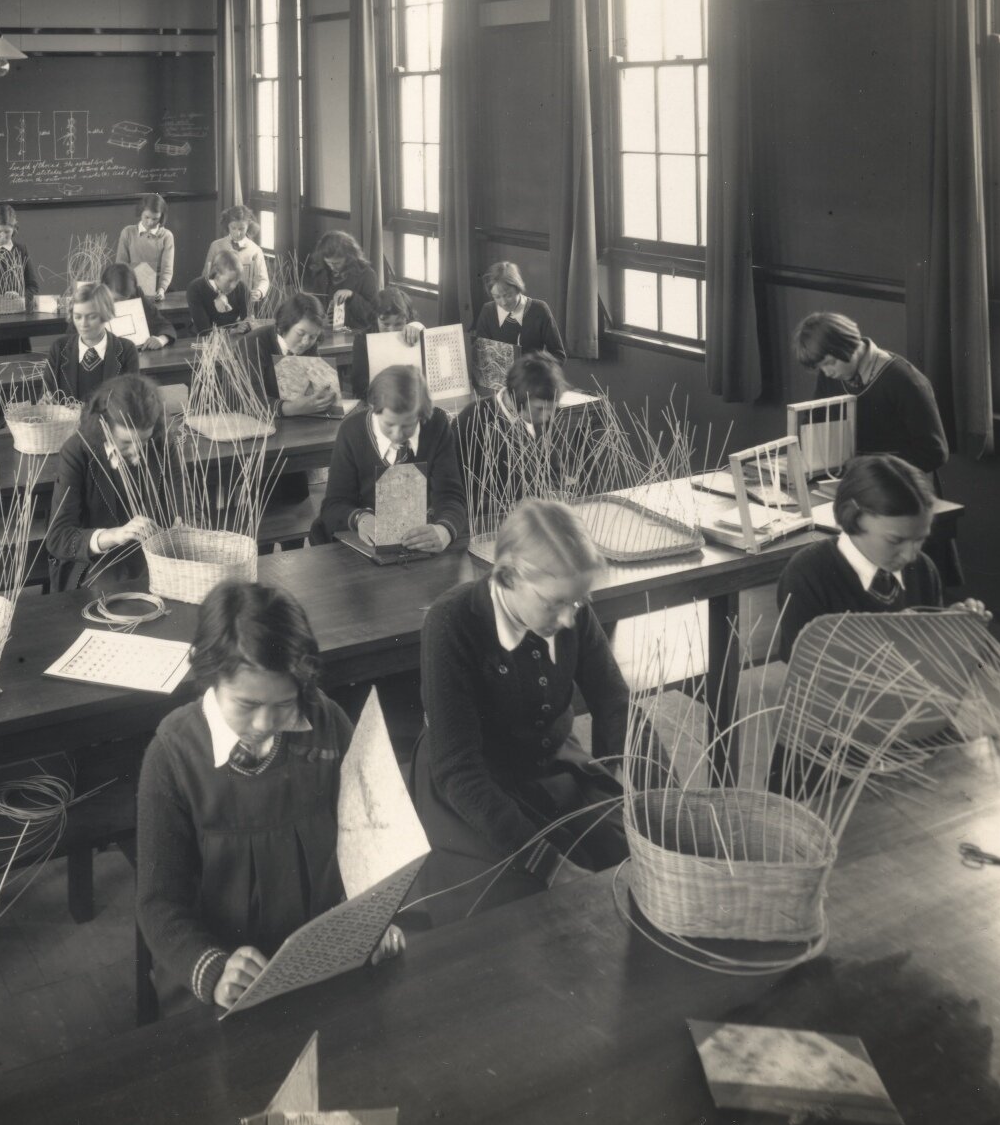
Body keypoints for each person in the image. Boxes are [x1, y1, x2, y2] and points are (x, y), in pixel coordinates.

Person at [136, 579, 403, 1012]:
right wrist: (215, 972)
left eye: (283, 704)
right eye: (246, 705)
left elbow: (371, 841)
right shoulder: (172, 755)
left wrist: (371, 919)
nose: (264, 724)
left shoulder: (327, 722)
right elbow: (159, 904)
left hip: (327, 952)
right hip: (222, 973)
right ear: (210, 676)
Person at [411, 499, 630, 924]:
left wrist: (637, 785)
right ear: (508, 577)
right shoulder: (450, 621)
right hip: (472, 784)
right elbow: (458, 771)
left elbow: (613, 702)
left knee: (620, 852)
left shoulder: (570, 606)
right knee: (523, 906)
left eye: (578, 603)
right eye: (555, 604)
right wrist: (551, 867)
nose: (569, 619)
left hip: (548, 758)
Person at [774, 453, 987, 659]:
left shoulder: (923, 569)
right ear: (853, 517)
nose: (910, 556)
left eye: (920, 539)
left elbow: (931, 661)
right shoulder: (806, 574)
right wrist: (902, 638)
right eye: (895, 540)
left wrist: (949, 632)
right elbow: (808, 668)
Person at [313, 365, 467, 552]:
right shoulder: (351, 431)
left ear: (421, 414)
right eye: (389, 424)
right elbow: (333, 506)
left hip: (419, 542)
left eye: (408, 425)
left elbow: (451, 496)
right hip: (363, 545)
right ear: (373, 408)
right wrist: (359, 518)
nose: (397, 434)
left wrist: (445, 530)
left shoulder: (436, 424)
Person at [44, 374, 165, 592]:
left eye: (144, 440)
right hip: (97, 562)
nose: (137, 452)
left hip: (155, 558)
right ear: (104, 427)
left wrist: (183, 524)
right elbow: (58, 538)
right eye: (126, 442)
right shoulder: (77, 451)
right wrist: (115, 535)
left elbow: (185, 509)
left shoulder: (162, 443)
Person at [792, 312, 948, 478]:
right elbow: (814, 422)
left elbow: (934, 452)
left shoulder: (906, 380)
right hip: (855, 478)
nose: (827, 372)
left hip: (901, 483)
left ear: (847, 346)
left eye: (830, 363)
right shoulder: (830, 375)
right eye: (820, 367)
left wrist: (868, 467)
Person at [245, 292, 340, 418]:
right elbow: (249, 399)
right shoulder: (253, 343)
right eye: (300, 333)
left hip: (292, 419)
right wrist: (291, 408)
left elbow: (315, 385)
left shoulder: (309, 345)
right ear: (284, 325)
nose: (305, 342)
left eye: (313, 337)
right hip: (250, 420)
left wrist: (323, 397)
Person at [48, 284, 141, 404]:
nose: (83, 324)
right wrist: (46, 403)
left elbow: (132, 401)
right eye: (77, 317)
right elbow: (47, 394)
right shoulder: (58, 348)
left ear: (106, 315)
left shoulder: (127, 350)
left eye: (91, 317)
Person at [474, 262, 566, 365]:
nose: (503, 302)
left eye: (508, 295)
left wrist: (534, 367)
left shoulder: (540, 310)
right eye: (497, 297)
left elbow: (559, 356)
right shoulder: (487, 311)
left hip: (532, 373)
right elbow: (481, 354)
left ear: (518, 288)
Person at [344, 285, 426, 397]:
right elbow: (358, 387)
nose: (391, 330)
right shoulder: (363, 339)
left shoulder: (413, 331)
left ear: (408, 320)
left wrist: (420, 327)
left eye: (398, 324)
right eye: (385, 324)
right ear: (376, 318)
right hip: (378, 400)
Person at [304, 230, 382, 334]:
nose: (332, 267)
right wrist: (320, 318)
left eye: (337, 263)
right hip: (328, 332)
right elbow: (315, 307)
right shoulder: (322, 274)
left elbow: (373, 315)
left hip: (357, 333)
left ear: (349, 258)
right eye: (329, 263)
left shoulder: (366, 275)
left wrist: (352, 296)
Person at [201, 205, 270, 306]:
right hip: (219, 300)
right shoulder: (216, 246)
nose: (237, 233)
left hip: (245, 303)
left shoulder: (255, 250)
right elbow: (206, 275)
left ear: (248, 227)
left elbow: (263, 279)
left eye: (242, 229)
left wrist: (259, 292)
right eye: (233, 228)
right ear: (227, 226)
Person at [100, 260, 172, 351]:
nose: (121, 304)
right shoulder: (93, 301)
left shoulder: (136, 295)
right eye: (116, 300)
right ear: (104, 289)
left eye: (125, 299)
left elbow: (163, 325)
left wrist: (162, 339)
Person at [113, 193, 176, 296]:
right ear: (140, 212)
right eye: (146, 217)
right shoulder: (128, 232)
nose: (150, 222)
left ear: (161, 217)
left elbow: (167, 269)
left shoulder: (166, 236)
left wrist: (161, 289)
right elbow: (121, 265)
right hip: (131, 287)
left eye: (155, 219)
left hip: (158, 289)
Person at [186, 247, 250, 337]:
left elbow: (247, 319)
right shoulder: (196, 288)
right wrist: (234, 331)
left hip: (234, 336)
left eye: (237, 280)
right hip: (202, 339)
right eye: (230, 281)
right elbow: (204, 331)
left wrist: (246, 325)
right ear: (216, 274)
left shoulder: (241, 287)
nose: (234, 286)